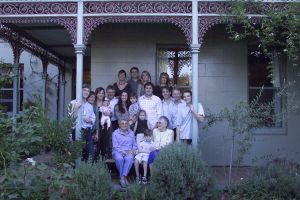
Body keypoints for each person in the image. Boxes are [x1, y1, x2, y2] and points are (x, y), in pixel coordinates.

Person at [68, 84, 96, 162]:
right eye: (84, 90)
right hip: (76, 131)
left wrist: (89, 120)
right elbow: (70, 117)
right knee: (77, 153)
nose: (86, 92)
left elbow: (93, 118)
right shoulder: (72, 103)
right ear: (80, 91)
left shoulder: (89, 106)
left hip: (87, 131)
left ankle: (87, 171)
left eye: (88, 91)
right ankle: (76, 172)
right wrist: (76, 108)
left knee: (90, 153)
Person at [112, 119, 138, 188]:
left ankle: (122, 177)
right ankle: (123, 178)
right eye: (122, 123)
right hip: (118, 151)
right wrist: (121, 151)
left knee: (129, 158)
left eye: (126, 123)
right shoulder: (115, 133)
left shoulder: (131, 133)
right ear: (119, 125)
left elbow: (134, 145)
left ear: (128, 125)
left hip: (129, 151)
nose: (124, 125)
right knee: (119, 158)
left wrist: (132, 151)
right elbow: (115, 146)